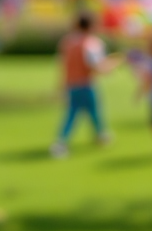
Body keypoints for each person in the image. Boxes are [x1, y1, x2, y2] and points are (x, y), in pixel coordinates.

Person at [51, 12, 119, 158]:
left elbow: (63, 64)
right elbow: (97, 67)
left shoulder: (68, 42)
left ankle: (100, 135)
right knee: (82, 112)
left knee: (87, 111)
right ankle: (62, 142)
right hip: (86, 84)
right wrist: (113, 63)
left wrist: (61, 85)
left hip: (71, 84)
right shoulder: (92, 43)